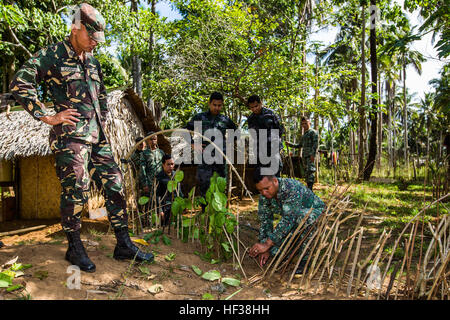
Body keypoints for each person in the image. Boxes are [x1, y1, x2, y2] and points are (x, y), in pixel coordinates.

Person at [9, 3, 153, 272]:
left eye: (99, 39)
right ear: (76, 27)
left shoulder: (94, 62)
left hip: (98, 138)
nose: (95, 44)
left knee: (116, 186)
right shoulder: (51, 55)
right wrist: (48, 116)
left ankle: (123, 243)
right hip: (71, 139)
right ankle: (74, 247)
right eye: (91, 37)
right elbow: (20, 83)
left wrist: (104, 118)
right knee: (75, 191)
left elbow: (101, 96)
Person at [249, 167, 325, 274]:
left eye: (267, 188)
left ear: (275, 181)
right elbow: (265, 220)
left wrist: (267, 244)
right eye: (260, 190)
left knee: (303, 217)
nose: (264, 193)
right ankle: (291, 249)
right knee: (275, 252)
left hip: (314, 213)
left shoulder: (291, 188)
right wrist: (264, 246)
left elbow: (289, 219)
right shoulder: (264, 196)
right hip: (294, 220)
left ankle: (305, 260)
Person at [185, 92, 237, 198]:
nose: (217, 108)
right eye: (214, 105)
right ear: (209, 103)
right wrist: (193, 144)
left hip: (220, 157)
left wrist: (227, 144)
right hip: (204, 157)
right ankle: (205, 211)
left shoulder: (225, 120)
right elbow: (185, 130)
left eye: (219, 105)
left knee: (221, 184)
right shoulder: (200, 117)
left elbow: (236, 133)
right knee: (204, 184)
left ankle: (219, 211)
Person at [247, 95, 285, 176]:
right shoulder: (250, 119)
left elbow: (280, 129)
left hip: (273, 148)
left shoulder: (271, 114)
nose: (254, 109)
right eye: (252, 107)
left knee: (276, 172)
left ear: (261, 103)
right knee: (262, 174)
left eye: (256, 106)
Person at [155, 154, 182, 227]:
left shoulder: (176, 176)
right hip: (165, 207)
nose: (171, 166)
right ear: (163, 165)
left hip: (175, 206)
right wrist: (160, 210)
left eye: (172, 164)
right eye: (168, 164)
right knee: (165, 227)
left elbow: (179, 191)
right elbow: (156, 195)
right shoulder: (159, 177)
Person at [140, 131, 165, 198]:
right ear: (148, 140)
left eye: (155, 139)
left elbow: (164, 166)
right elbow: (142, 169)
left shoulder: (161, 152)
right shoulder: (144, 153)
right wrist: (145, 184)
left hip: (161, 181)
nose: (153, 141)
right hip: (150, 182)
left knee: (162, 200)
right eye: (151, 139)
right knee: (152, 201)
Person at [298, 117, 318, 190]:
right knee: (306, 173)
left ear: (309, 123)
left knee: (310, 171)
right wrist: (289, 144)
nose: (304, 125)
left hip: (310, 156)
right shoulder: (304, 135)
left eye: (305, 123)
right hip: (304, 156)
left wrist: (313, 155)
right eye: (302, 124)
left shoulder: (313, 132)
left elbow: (315, 144)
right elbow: (299, 145)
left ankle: (310, 189)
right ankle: (309, 189)